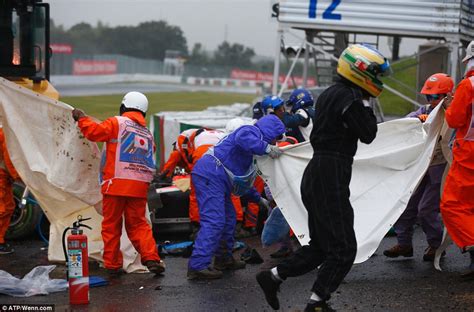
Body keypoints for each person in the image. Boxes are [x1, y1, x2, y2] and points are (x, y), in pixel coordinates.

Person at [256, 44, 391, 311]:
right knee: (344, 249)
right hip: (330, 173)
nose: (377, 80)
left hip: (317, 172)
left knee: (320, 246)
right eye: (374, 73)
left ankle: (273, 277)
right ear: (360, 70)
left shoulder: (332, 93)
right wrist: (366, 101)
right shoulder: (352, 97)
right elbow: (368, 133)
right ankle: (317, 302)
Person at [72, 91, 165, 275]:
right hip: (139, 187)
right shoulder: (147, 134)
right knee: (139, 225)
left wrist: (82, 118)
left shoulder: (117, 122)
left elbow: (94, 132)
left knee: (111, 226)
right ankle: (151, 258)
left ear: (123, 107)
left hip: (116, 184)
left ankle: (113, 265)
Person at [187, 114, 284, 280]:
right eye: (276, 137)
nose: (275, 142)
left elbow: (244, 182)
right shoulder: (250, 131)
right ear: (269, 132)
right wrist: (267, 148)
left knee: (229, 218)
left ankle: (223, 259)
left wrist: (259, 200)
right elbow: (242, 137)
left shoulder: (251, 151)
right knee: (215, 220)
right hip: (212, 174)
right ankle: (198, 266)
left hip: (214, 176)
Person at [384, 73, 453, 261]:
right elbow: (406, 122)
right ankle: (404, 243)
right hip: (421, 166)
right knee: (406, 204)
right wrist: (417, 121)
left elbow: (457, 129)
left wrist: (448, 110)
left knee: (427, 209)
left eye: (436, 97)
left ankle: (436, 245)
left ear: (447, 96)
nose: (431, 101)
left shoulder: (454, 114)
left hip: (441, 168)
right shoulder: (423, 110)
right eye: (428, 97)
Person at [440, 40, 474, 277]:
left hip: (469, 154)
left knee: (452, 205)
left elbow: (454, 120)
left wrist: (450, 106)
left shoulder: (468, 85)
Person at [0, 128, 21, 254]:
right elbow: (9, 160)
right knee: (2, 209)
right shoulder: (6, 133)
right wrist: (19, 177)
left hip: (4, 176)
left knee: (7, 207)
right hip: (2, 174)